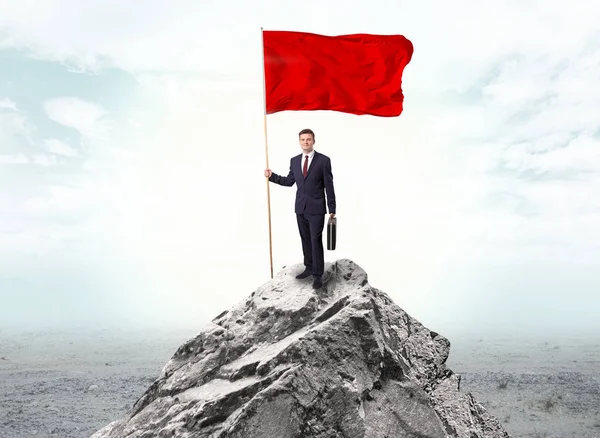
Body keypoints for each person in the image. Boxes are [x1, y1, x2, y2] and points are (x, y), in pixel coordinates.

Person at [264, 128, 336, 289]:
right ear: (299, 141)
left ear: (313, 141)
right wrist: (272, 176)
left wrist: (332, 207)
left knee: (315, 240)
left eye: (308, 139)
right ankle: (309, 267)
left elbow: (329, 185)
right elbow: (290, 181)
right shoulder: (295, 161)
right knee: (305, 239)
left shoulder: (324, 161)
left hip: (317, 208)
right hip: (300, 208)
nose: (305, 142)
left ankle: (318, 275)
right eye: (303, 139)